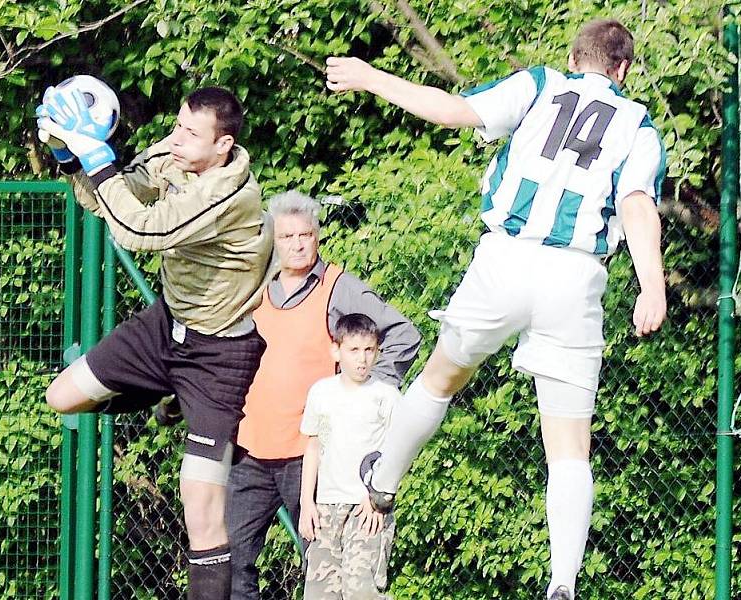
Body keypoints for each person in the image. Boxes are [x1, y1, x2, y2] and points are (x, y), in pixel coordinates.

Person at [325, 18, 667, 600]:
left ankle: (382, 481)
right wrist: (651, 286)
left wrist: (369, 76)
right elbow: (635, 204)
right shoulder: (639, 126)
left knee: (440, 379)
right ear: (624, 70)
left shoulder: (538, 86)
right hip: (575, 277)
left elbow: (451, 110)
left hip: (506, 260)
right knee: (568, 444)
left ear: (573, 56)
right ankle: (562, 583)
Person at [37, 85, 274, 600]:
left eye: (192, 133)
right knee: (62, 397)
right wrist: (68, 154)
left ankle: (183, 397)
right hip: (165, 328)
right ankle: (166, 394)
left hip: (218, 355)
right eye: (178, 124)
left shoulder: (231, 194)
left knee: (201, 507)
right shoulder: (176, 154)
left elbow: (141, 231)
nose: (177, 138)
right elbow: (108, 199)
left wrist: (100, 158)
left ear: (223, 147)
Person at [199, 189, 418, 599]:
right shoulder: (254, 289)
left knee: (325, 569)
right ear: (272, 241)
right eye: (286, 237)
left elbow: (403, 334)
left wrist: (367, 391)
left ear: (317, 237)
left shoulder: (338, 287)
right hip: (250, 453)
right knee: (229, 561)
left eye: (305, 235)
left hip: (310, 458)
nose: (297, 244)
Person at [299, 313, 400, 599]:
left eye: (369, 350)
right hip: (326, 508)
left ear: (377, 352)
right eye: (354, 350)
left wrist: (378, 499)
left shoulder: (386, 396)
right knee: (320, 591)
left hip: (366, 509)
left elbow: (397, 455)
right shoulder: (321, 393)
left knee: (361, 590)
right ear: (336, 350)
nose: (362, 359)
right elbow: (313, 447)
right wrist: (307, 502)